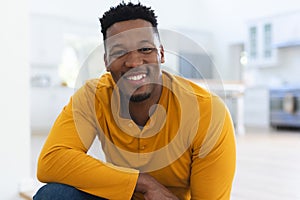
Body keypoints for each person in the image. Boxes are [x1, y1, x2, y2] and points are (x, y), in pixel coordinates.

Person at [33, 2, 236, 200]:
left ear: (161, 54)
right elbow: (51, 161)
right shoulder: (93, 96)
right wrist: (144, 183)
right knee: (53, 195)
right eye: (119, 52)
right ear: (106, 62)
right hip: (121, 196)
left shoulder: (207, 111)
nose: (134, 63)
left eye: (145, 49)